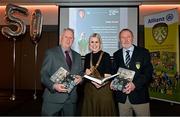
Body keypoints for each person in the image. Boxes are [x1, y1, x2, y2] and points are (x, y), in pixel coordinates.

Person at [40, 28, 83, 116]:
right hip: (53, 98)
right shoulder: (51, 53)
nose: (68, 40)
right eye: (66, 37)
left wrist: (81, 78)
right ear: (61, 38)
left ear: (73, 40)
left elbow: (81, 73)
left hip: (71, 100)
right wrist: (54, 85)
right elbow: (44, 75)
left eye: (71, 38)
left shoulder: (78, 56)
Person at [111, 28, 153, 116]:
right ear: (119, 39)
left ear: (132, 38)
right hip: (122, 97)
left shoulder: (143, 52)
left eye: (128, 37)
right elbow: (114, 72)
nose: (126, 40)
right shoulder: (116, 54)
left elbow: (148, 73)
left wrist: (135, 84)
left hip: (140, 96)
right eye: (123, 37)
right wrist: (113, 82)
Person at [81, 33, 117, 116]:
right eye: (92, 42)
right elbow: (85, 76)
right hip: (90, 91)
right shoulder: (87, 56)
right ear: (89, 44)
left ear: (100, 43)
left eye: (96, 42)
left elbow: (108, 74)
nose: (94, 44)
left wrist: (102, 83)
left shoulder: (106, 55)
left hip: (103, 90)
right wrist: (85, 73)